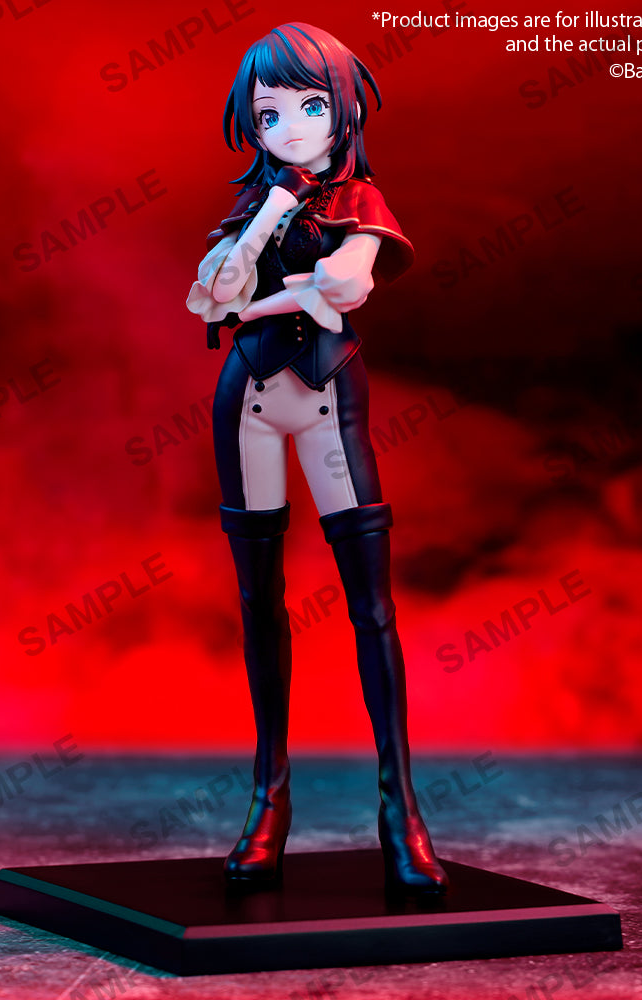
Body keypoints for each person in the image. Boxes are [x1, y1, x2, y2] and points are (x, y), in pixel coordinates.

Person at [186, 22, 448, 894]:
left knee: (370, 605)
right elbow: (212, 294)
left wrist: (261, 298)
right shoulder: (249, 209)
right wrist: (268, 221)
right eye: (270, 114)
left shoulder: (361, 200)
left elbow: (347, 287)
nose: (291, 128)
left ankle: (400, 811)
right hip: (250, 404)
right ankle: (269, 801)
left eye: (310, 106)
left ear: (342, 109)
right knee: (259, 601)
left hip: (331, 395)